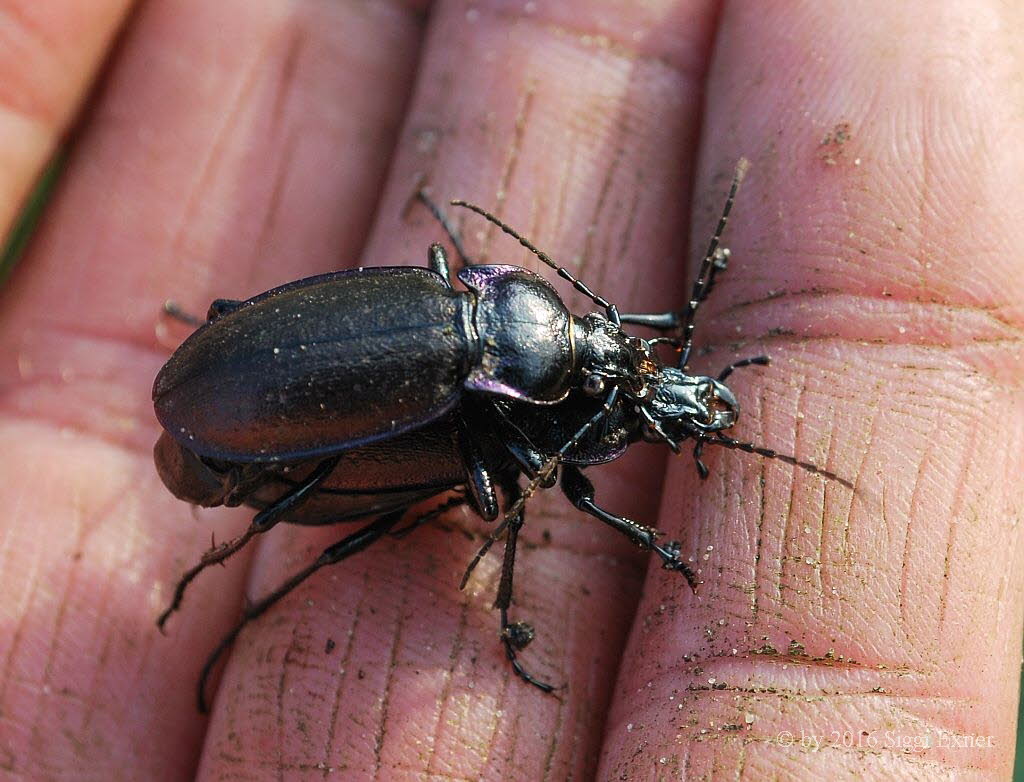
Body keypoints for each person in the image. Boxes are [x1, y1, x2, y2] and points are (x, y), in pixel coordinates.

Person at [1, 1, 1020, 778]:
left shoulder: (479, 317)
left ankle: (238, 496)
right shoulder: (469, 369)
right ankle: (239, 531)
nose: (610, 345)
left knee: (362, 463)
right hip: (239, 397)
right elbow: (496, 475)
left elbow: (527, 419)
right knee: (320, 486)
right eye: (586, 343)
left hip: (247, 380)